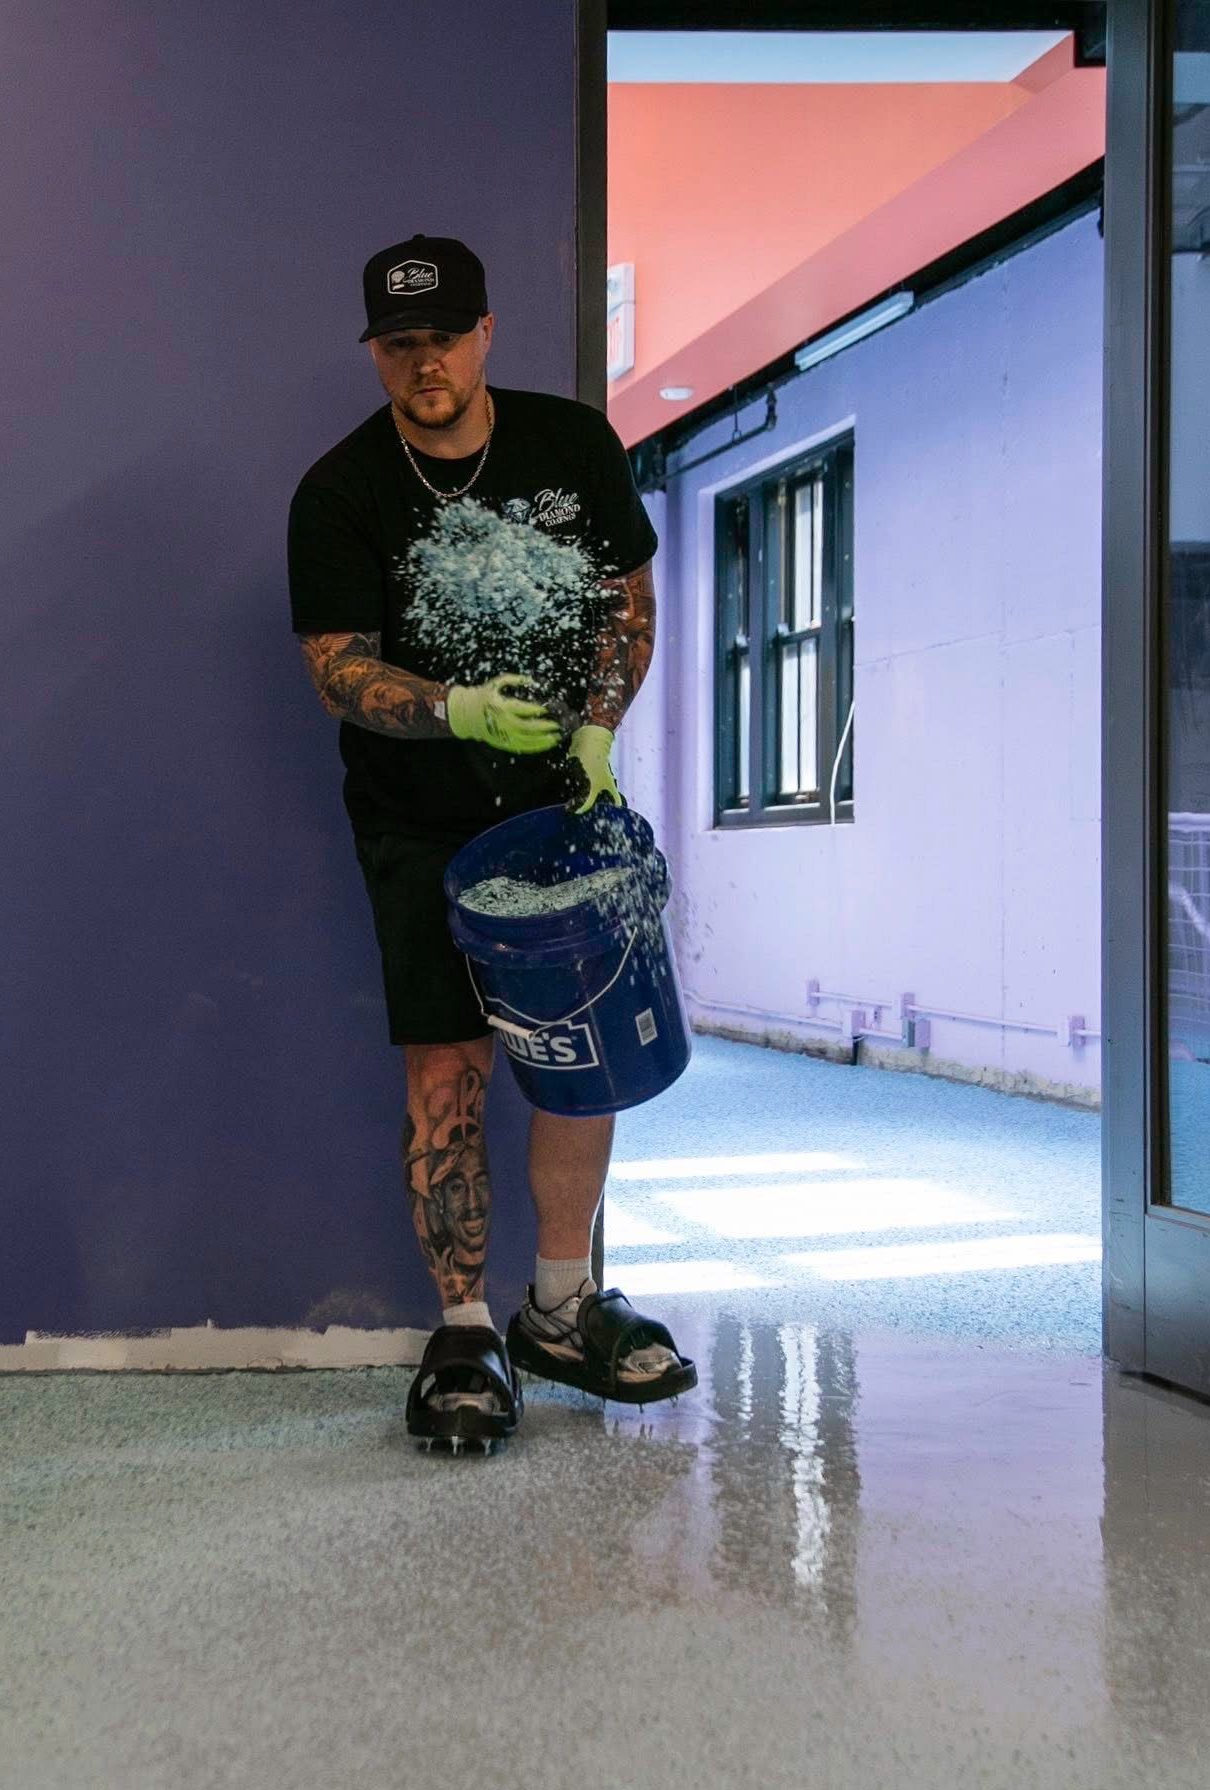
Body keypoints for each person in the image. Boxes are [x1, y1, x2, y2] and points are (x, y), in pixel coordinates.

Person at [286, 233, 695, 1451]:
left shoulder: (571, 444)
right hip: (419, 825)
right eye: (401, 343)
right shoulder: (341, 491)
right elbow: (335, 668)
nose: (427, 364)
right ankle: (465, 1330)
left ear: (486, 334)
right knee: (445, 1073)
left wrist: (598, 729)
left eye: (445, 337)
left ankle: (560, 1310)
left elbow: (629, 597)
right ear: (377, 352)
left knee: (585, 1062)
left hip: (562, 810)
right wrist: (452, 707)